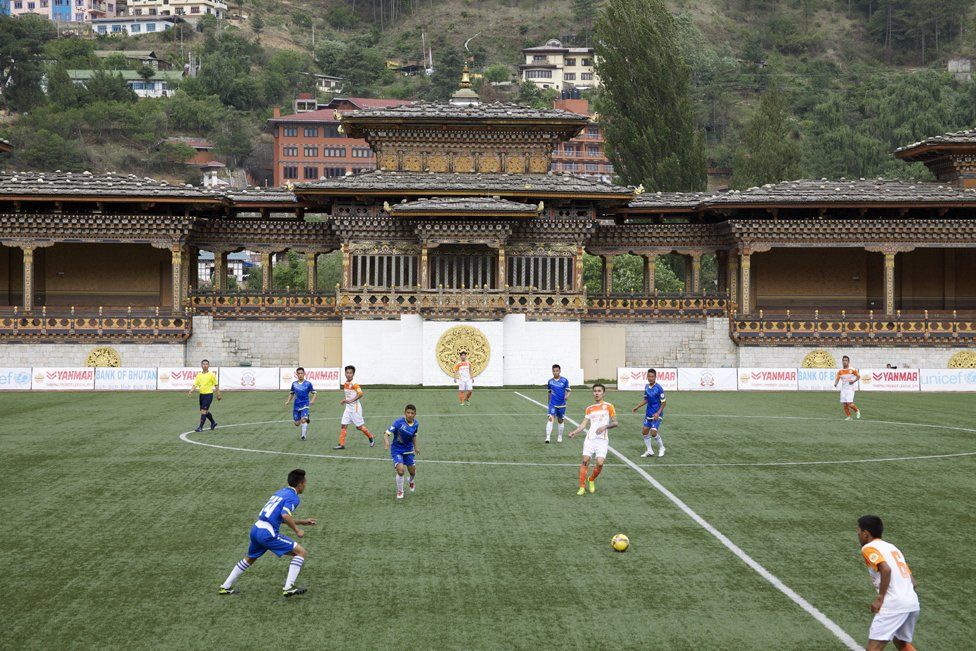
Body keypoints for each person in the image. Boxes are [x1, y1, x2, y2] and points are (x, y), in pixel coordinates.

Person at [218, 469, 317, 598]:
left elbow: (278, 517)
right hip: (267, 533)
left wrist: (302, 522)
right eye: (305, 483)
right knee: (301, 552)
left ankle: (225, 586)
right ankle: (288, 588)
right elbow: (285, 515)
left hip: (256, 528)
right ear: (300, 484)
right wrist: (297, 530)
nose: (305, 485)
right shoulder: (293, 497)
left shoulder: (280, 493)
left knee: (250, 558)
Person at [856, 515, 920, 651]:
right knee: (901, 642)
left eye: (859, 531)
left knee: (873, 649)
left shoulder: (868, 548)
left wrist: (880, 598)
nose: (858, 534)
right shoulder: (893, 548)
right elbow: (913, 582)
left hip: (893, 604)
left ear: (866, 534)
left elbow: (886, 569)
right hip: (912, 602)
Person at [568, 384, 618, 496]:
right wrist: (574, 432)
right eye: (595, 391)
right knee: (585, 460)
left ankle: (591, 479)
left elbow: (615, 423)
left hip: (602, 440)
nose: (596, 393)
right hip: (590, 439)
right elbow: (583, 425)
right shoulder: (589, 408)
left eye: (599, 391)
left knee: (600, 463)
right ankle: (581, 487)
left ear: (603, 393)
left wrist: (605, 426)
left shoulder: (609, 406)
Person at [333, 365, 374, 450]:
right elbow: (349, 396)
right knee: (343, 425)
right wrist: (345, 400)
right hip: (348, 408)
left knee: (359, 427)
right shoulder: (345, 384)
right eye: (347, 372)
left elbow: (361, 394)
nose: (348, 374)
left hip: (355, 408)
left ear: (353, 374)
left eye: (350, 373)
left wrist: (350, 401)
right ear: (345, 373)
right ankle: (341, 444)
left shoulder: (355, 384)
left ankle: (370, 437)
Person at [384, 404, 420, 500]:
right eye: (408, 413)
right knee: (400, 471)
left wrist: (416, 448)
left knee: (412, 472)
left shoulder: (416, 424)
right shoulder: (398, 422)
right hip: (397, 450)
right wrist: (387, 442)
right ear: (404, 413)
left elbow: (414, 436)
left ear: (415, 414)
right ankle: (400, 491)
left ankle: (411, 481)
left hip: (408, 450)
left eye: (412, 413)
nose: (410, 415)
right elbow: (387, 433)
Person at [632, 368, 666, 458]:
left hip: (657, 414)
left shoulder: (659, 388)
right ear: (647, 377)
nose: (650, 378)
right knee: (644, 431)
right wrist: (638, 406)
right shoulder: (646, 387)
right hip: (649, 414)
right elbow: (646, 399)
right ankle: (649, 451)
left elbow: (664, 402)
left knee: (654, 433)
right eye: (649, 376)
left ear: (655, 377)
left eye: (652, 376)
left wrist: (658, 413)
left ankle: (662, 448)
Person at [187, 359, 220, 432]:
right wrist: (191, 391)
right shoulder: (199, 375)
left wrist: (218, 394)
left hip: (208, 395)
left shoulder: (211, 375)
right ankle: (213, 423)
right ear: (201, 365)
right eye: (203, 364)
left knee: (203, 411)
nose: (205, 365)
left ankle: (200, 427)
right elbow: (195, 384)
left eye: (206, 364)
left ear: (208, 366)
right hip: (201, 395)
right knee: (204, 411)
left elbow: (216, 385)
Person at [285, 367, 316, 440]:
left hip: (305, 404)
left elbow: (314, 393)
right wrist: (288, 401)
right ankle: (306, 418)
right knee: (297, 423)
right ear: (297, 374)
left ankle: (303, 436)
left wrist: (312, 400)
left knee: (303, 420)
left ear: (304, 374)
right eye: (299, 373)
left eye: (302, 373)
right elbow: (292, 393)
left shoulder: (308, 384)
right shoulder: (294, 384)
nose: (300, 375)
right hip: (296, 405)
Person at [545, 364, 571, 444]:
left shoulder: (564, 380)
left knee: (560, 420)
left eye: (557, 371)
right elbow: (549, 392)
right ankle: (548, 437)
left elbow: (569, 390)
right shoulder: (550, 381)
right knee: (550, 419)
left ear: (559, 371)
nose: (555, 372)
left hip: (562, 404)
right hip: (553, 404)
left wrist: (566, 396)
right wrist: (549, 402)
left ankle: (560, 436)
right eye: (554, 371)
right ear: (552, 371)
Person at [834, 355, 862, 420]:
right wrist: (835, 384)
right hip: (843, 389)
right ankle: (849, 417)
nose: (844, 362)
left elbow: (858, 376)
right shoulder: (840, 371)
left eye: (846, 360)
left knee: (849, 403)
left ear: (848, 362)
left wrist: (853, 381)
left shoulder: (852, 369)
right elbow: (837, 379)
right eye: (843, 360)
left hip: (850, 388)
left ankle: (857, 411)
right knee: (844, 404)